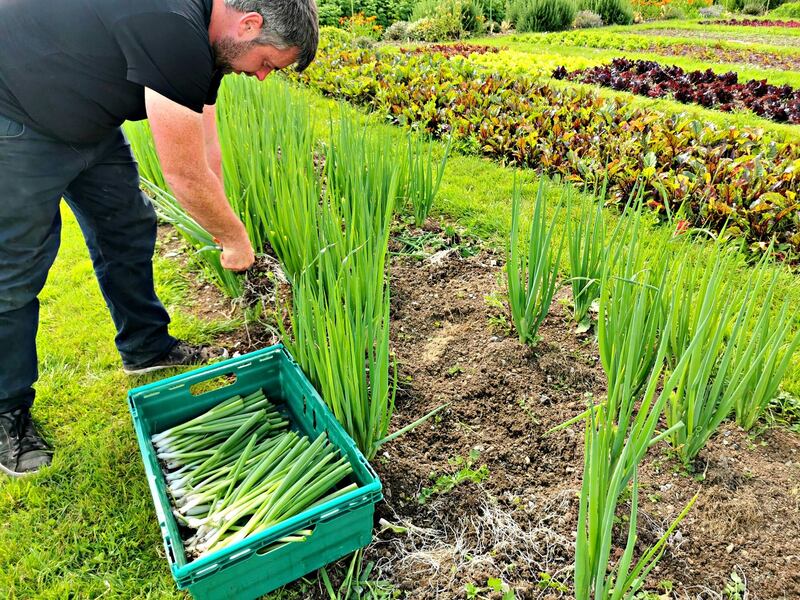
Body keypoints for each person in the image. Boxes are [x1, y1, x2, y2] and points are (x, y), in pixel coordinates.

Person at [0, 0, 319, 477]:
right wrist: (234, 239)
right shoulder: (170, 24)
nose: (262, 77)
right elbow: (182, 173)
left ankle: (146, 348)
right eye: (269, 62)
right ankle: (8, 412)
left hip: (90, 124)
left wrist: (227, 218)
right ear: (249, 24)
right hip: (19, 116)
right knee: (16, 269)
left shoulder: (211, 39)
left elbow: (205, 149)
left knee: (127, 228)